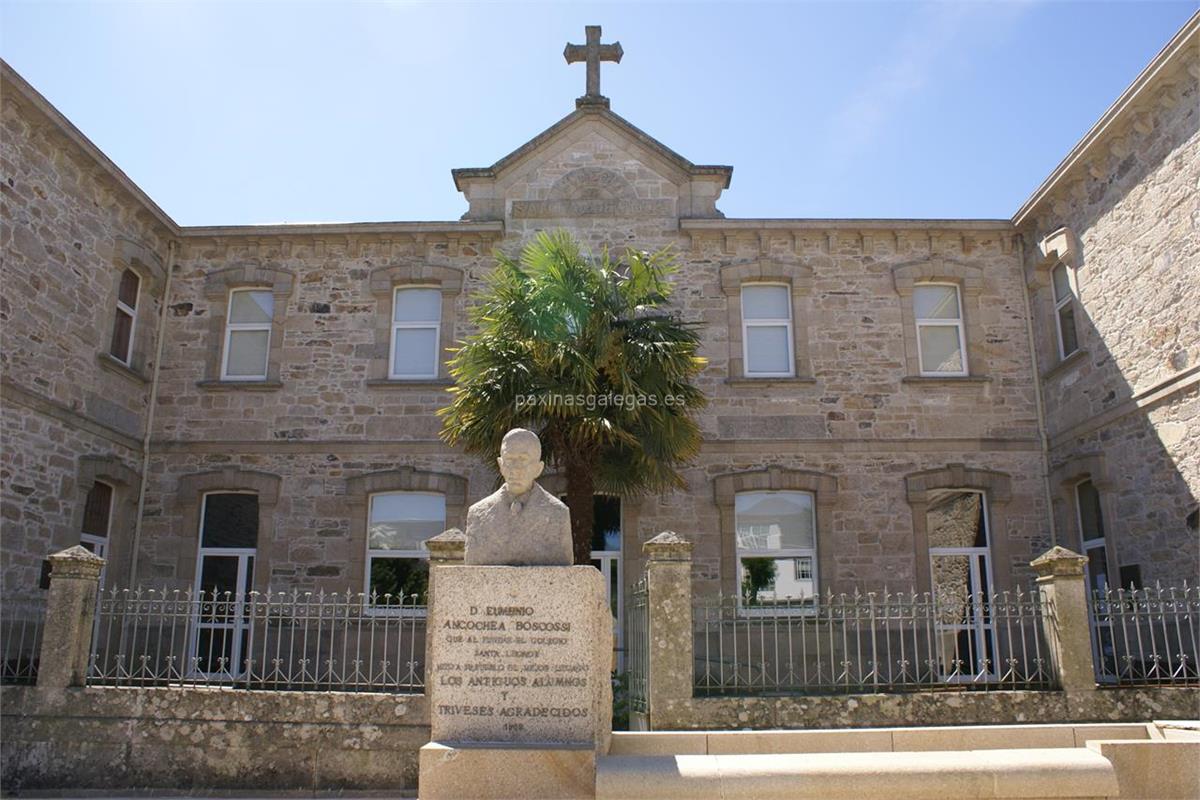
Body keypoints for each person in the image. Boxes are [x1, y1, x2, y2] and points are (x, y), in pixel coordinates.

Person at [463, 428, 573, 566]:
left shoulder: (558, 514)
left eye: (523, 460)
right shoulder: (477, 515)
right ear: (501, 465)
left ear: (538, 468)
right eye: (509, 459)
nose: (515, 469)